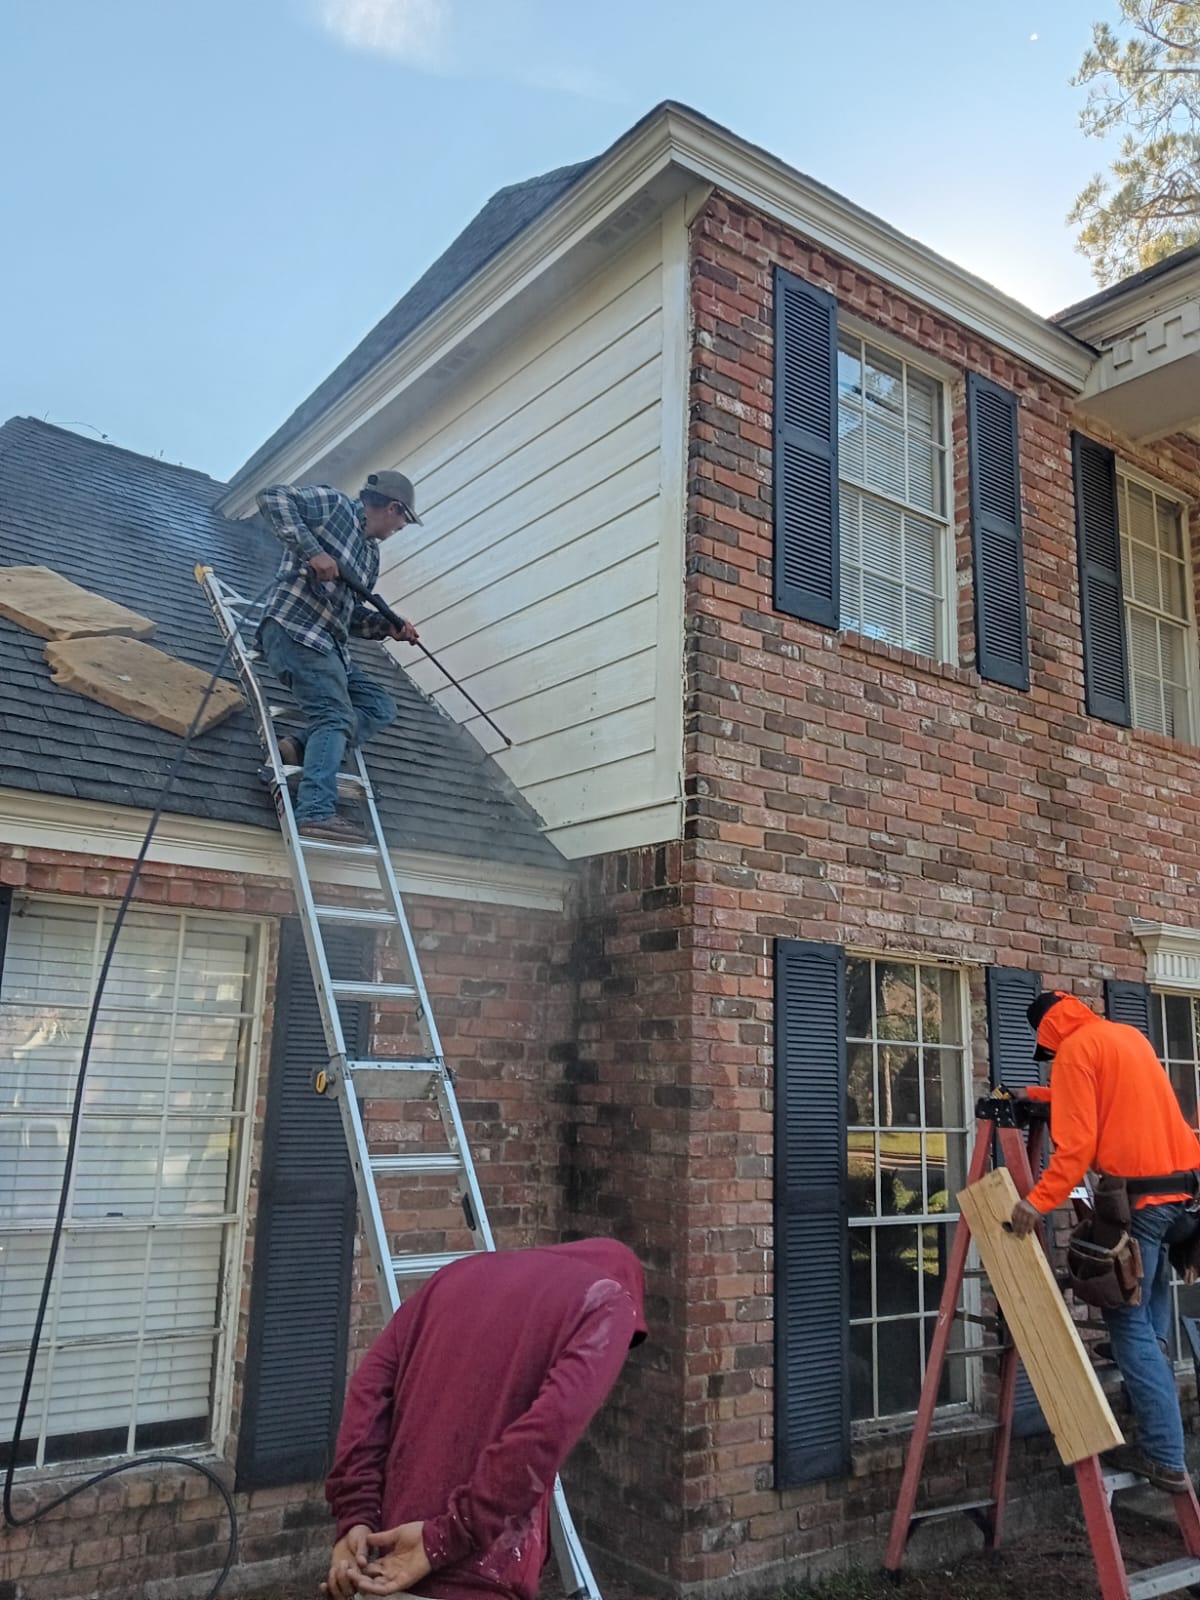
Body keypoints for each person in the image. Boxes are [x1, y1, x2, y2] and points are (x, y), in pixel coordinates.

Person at [323, 1239, 646, 1600]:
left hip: (383, 1561)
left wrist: (357, 1516)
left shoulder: (452, 1276)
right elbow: (547, 1431)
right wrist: (447, 1536)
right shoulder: (608, 1298)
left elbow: (368, 1391)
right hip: (472, 1573)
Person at [1009, 989, 1200, 1492]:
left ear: (1048, 1035)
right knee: (1150, 1315)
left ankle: (1165, 1458)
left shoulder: (1072, 1054)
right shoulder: (1126, 1038)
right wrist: (1039, 1096)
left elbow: (1076, 1148)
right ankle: (1150, 1363)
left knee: (1128, 1326)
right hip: (1184, 1198)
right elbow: (1107, 1101)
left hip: (1140, 1208)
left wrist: (1037, 1202)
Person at [256, 472, 422, 844]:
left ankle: (299, 745)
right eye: (404, 520)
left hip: (330, 647)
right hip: (294, 630)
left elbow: (349, 615)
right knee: (334, 714)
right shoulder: (335, 507)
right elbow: (272, 497)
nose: (400, 528)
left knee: (380, 706)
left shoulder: (370, 555)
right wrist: (313, 552)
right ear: (394, 507)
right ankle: (315, 811)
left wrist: (386, 626)